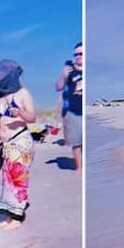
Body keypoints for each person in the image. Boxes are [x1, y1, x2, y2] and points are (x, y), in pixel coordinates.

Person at [0, 59, 37, 230]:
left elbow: (32, 118)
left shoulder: (22, 94)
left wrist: (20, 112)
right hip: (5, 145)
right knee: (2, 181)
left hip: (20, 141)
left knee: (16, 180)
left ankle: (17, 217)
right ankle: (11, 212)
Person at [55, 41, 83, 172]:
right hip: (72, 110)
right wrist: (63, 76)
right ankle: (79, 168)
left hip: (85, 110)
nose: (78, 56)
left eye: (81, 54)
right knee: (76, 142)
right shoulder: (69, 70)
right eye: (76, 54)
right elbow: (58, 88)